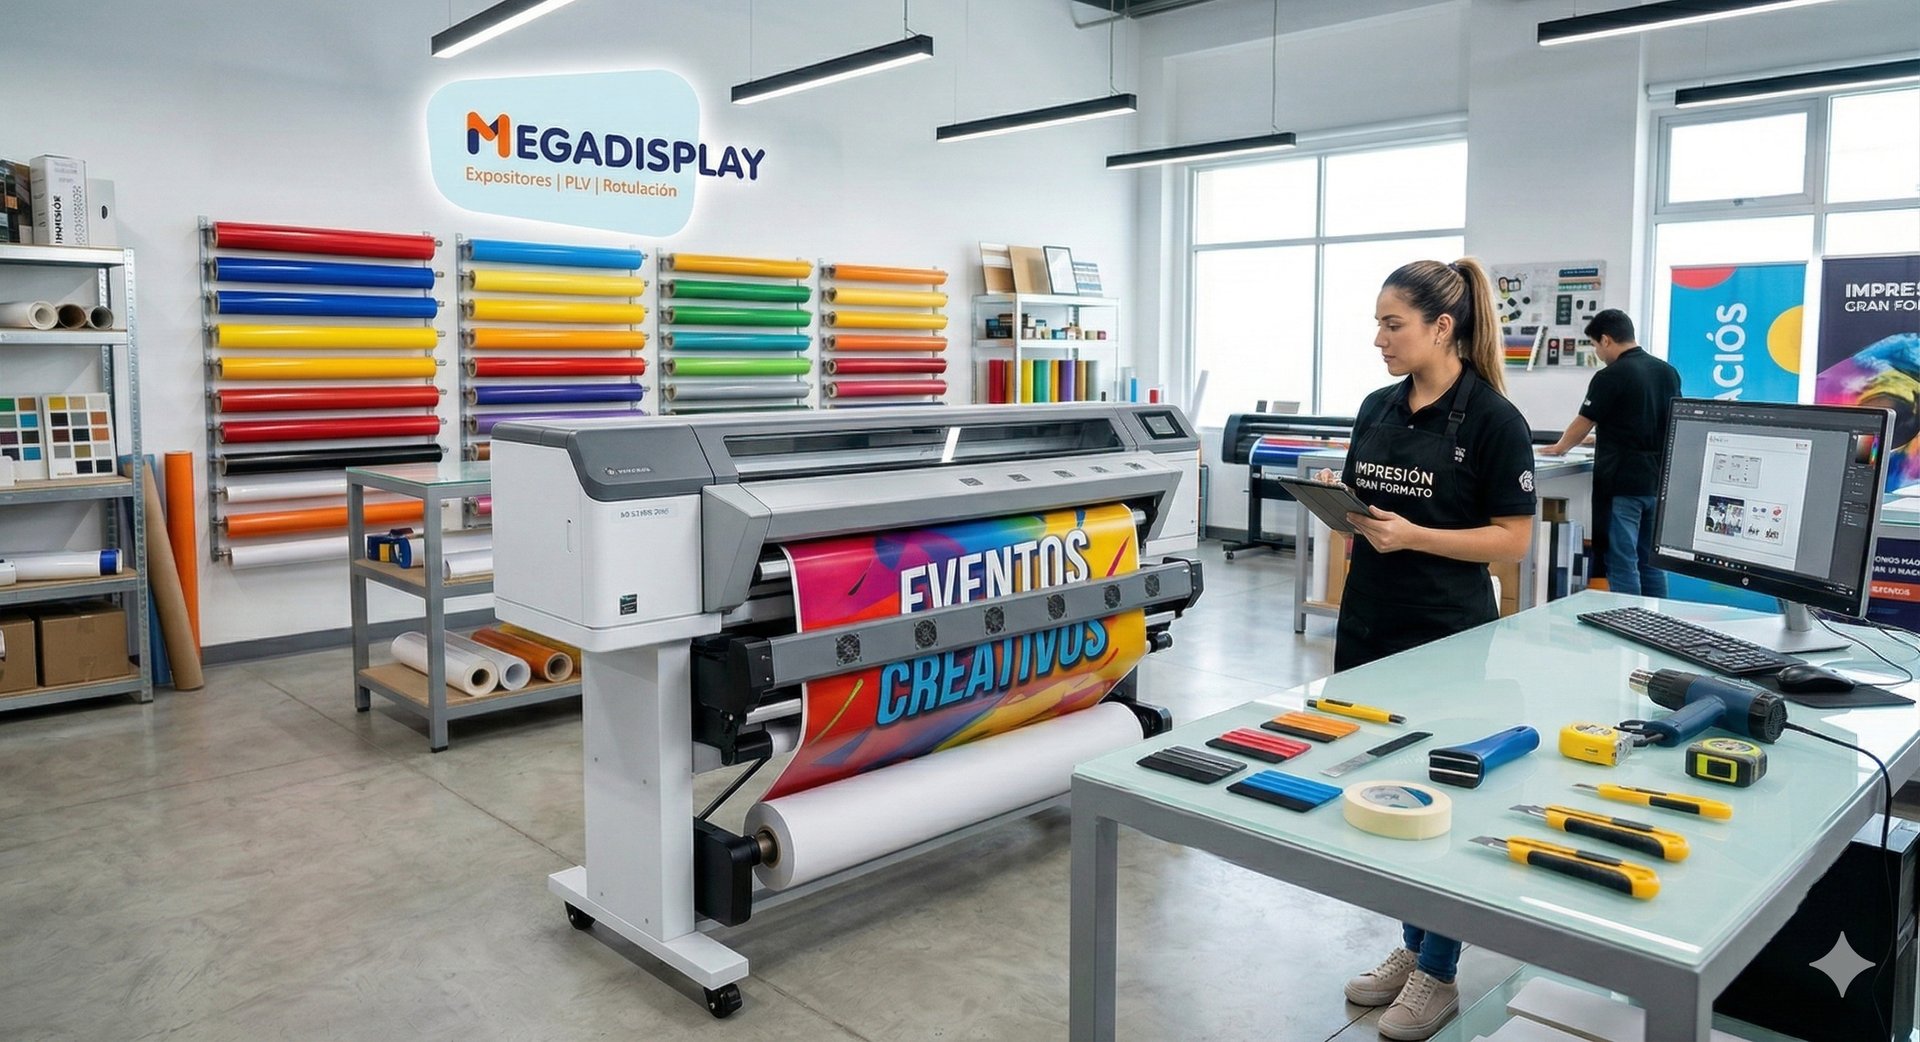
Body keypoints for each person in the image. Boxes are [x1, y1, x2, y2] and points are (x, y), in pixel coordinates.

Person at [1324, 258, 1537, 1041]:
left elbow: (1512, 542)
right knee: (1382, 787)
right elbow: (1363, 508)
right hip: (1369, 621)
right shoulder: (1378, 405)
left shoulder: (1491, 419)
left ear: (1441, 327)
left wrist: (1414, 535)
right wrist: (1340, 511)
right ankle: (1413, 945)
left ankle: (1440, 972)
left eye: (1392, 323)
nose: (1377, 338)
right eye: (1378, 322)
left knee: (1439, 796)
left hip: (1445, 630)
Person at [1541, 310, 1681, 597]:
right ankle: (1658, 624)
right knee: (1651, 562)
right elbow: (1651, 421)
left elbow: (1584, 420)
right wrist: (1600, 439)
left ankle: (1626, 625)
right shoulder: (1667, 371)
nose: (1597, 352)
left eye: (1594, 345)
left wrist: (1559, 447)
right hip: (1657, 483)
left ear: (1606, 339)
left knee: (1622, 563)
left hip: (1623, 485)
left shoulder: (1611, 375)